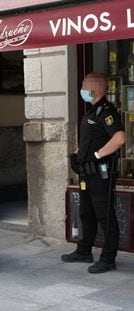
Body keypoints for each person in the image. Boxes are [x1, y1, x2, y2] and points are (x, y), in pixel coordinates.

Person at [62, 73, 125, 273]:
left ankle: (108, 259)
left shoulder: (107, 111)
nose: (81, 90)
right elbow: (91, 139)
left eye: (83, 86)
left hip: (100, 174)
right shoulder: (91, 112)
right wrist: (78, 154)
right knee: (85, 213)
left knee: (105, 216)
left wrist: (97, 155)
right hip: (86, 174)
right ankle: (84, 251)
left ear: (94, 89)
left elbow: (120, 138)